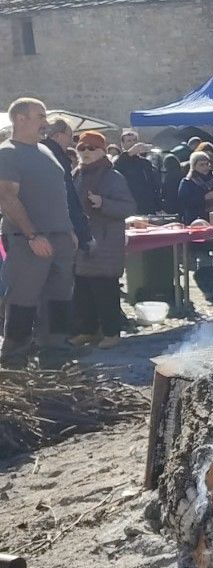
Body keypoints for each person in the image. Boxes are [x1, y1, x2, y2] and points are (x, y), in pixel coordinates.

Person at [0, 98, 77, 368]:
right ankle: (15, 361)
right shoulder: (7, 152)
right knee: (23, 299)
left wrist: (69, 230)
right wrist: (32, 235)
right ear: (20, 118)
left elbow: (59, 195)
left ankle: (55, 357)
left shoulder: (46, 151)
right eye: (40, 115)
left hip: (59, 238)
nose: (46, 122)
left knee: (59, 299)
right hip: (29, 241)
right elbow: (8, 198)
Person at [68, 130, 136, 349]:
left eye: (91, 148)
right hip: (83, 240)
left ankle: (111, 332)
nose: (85, 152)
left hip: (106, 242)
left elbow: (128, 207)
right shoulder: (76, 174)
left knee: (105, 288)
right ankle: (87, 330)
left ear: (101, 151)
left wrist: (103, 203)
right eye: (82, 148)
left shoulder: (113, 177)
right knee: (83, 288)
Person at [40, 118, 92, 254]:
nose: (71, 142)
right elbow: (66, 197)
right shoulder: (56, 158)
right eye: (70, 136)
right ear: (58, 136)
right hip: (58, 231)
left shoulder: (40, 153)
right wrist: (80, 232)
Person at [114, 130, 159, 214]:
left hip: (146, 206)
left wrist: (157, 205)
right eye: (129, 141)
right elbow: (117, 167)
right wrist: (130, 152)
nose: (132, 143)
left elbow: (153, 185)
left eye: (134, 140)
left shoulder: (145, 163)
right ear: (122, 144)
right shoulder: (119, 161)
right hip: (127, 205)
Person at [177, 151, 213, 223]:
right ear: (194, 166)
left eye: (207, 164)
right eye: (201, 165)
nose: (205, 167)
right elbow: (184, 202)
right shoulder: (187, 182)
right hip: (195, 219)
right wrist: (204, 198)